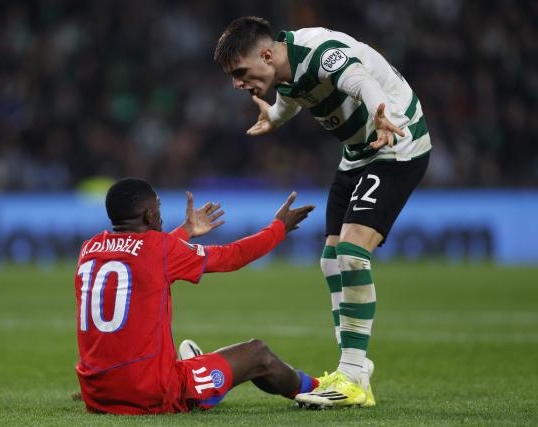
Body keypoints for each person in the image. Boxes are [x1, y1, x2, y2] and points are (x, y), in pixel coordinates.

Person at [214, 17, 431, 408]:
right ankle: (354, 371)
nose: (237, 84)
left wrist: (379, 110)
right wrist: (275, 118)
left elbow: (359, 79)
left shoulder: (320, 53)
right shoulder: (283, 69)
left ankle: (351, 376)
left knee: (351, 251)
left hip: (396, 141)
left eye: (241, 72)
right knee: (331, 260)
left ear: (266, 54)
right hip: (357, 153)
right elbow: (295, 97)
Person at [74, 177, 316, 415]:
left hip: (96, 394)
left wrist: (186, 231)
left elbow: (147, 255)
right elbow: (233, 256)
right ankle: (317, 388)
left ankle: (197, 369)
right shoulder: (161, 249)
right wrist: (278, 228)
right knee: (258, 354)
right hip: (151, 392)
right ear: (149, 215)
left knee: (175, 364)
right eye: (158, 208)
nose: (160, 215)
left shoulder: (89, 249)